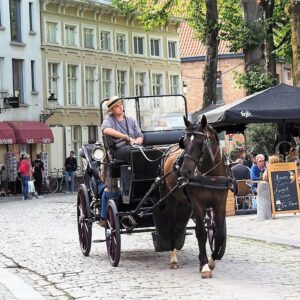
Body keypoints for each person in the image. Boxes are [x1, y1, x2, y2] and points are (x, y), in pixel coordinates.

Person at [101, 96, 143, 162]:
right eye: (117, 106)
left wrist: (136, 142)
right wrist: (126, 137)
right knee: (132, 151)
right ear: (111, 110)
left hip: (135, 147)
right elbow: (106, 130)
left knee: (147, 151)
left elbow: (140, 136)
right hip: (117, 149)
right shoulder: (109, 119)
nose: (121, 107)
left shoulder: (131, 120)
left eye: (121, 104)